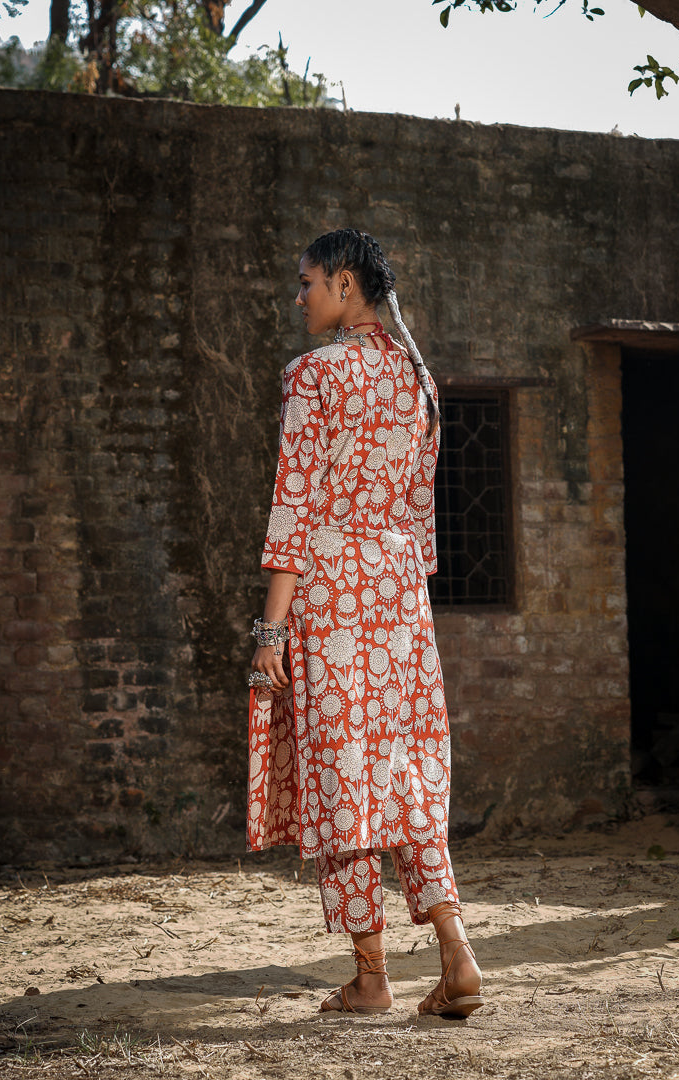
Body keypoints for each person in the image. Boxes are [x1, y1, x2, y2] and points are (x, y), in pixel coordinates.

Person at [245, 229, 484, 1018]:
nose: (299, 296)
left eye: (307, 282)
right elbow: (420, 514)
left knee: (343, 777)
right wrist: (398, 584)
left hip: (332, 596)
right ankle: (456, 950)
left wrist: (271, 631)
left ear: (344, 284)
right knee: (408, 772)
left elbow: (295, 506)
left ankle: (372, 978)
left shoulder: (313, 376)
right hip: (400, 595)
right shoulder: (419, 379)